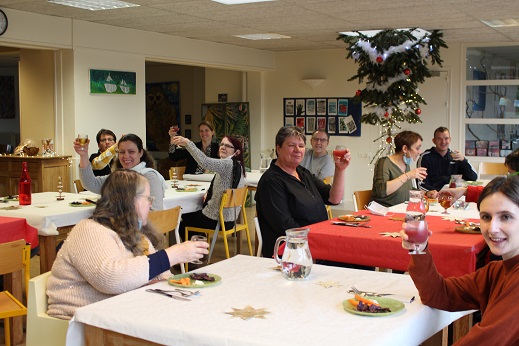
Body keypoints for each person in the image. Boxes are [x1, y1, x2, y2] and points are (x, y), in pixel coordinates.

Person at [47, 170, 208, 320]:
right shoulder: (89, 230)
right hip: (79, 321)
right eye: (147, 198)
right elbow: (111, 279)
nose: (150, 204)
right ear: (130, 200)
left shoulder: (135, 233)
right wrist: (173, 255)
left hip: (115, 314)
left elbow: (161, 275)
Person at [400, 176, 519, 344]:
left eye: (505, 217)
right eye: (486, 217)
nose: (492, 228)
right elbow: (438, 294)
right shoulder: (496, 271)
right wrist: (419, 248)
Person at [255, 126, 351, 258]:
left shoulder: (302, 172)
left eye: (301, 145)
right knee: (356, 260)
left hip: (315, 243)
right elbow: (287, 227)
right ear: (278, 148)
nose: (297, 150)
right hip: (294, 252)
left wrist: (340, 170)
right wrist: (321, 240)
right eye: (291, 145)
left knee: (361, 257)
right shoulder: (271, 181)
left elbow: (333, 199)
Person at [170, 134, 245, 238]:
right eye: (222, 144)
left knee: (182, 217)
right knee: (189, 217)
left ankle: (199, 248)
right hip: (229, 220)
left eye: (228, 146)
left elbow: (204, 162)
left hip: (216, 220)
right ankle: (201, 243)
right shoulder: (238, 165)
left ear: (237, 152)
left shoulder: (227, 164)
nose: (223, 147)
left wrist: (188, 143)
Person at [75, 133, 166, 211]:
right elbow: (90, 183)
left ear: (141, 153)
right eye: (122, 152)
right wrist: (83, 155)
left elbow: (156, 211)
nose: (126, 156)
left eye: (131, 152)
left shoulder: (149, 176)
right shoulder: (119, 176)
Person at [371, 130, 434, 207]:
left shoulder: (406, 164)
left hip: (400, 210)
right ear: (405, 149)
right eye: (417, 148)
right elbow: (382, 191)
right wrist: (407, 176)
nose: (420, 152)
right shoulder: (383, 162)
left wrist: (426, 193)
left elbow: (406, 189)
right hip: (384, 211)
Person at [417, 126, 477, 191]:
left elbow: (473, 178)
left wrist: (463, 161)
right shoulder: (425, 157)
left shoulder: (456, 157)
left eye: (446, 138)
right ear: (434, 141)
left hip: (454, 195)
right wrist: (437, 193)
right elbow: (421, 184)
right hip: (433, 196)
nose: (443, 142)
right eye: (439, 139)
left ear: (450, 140)